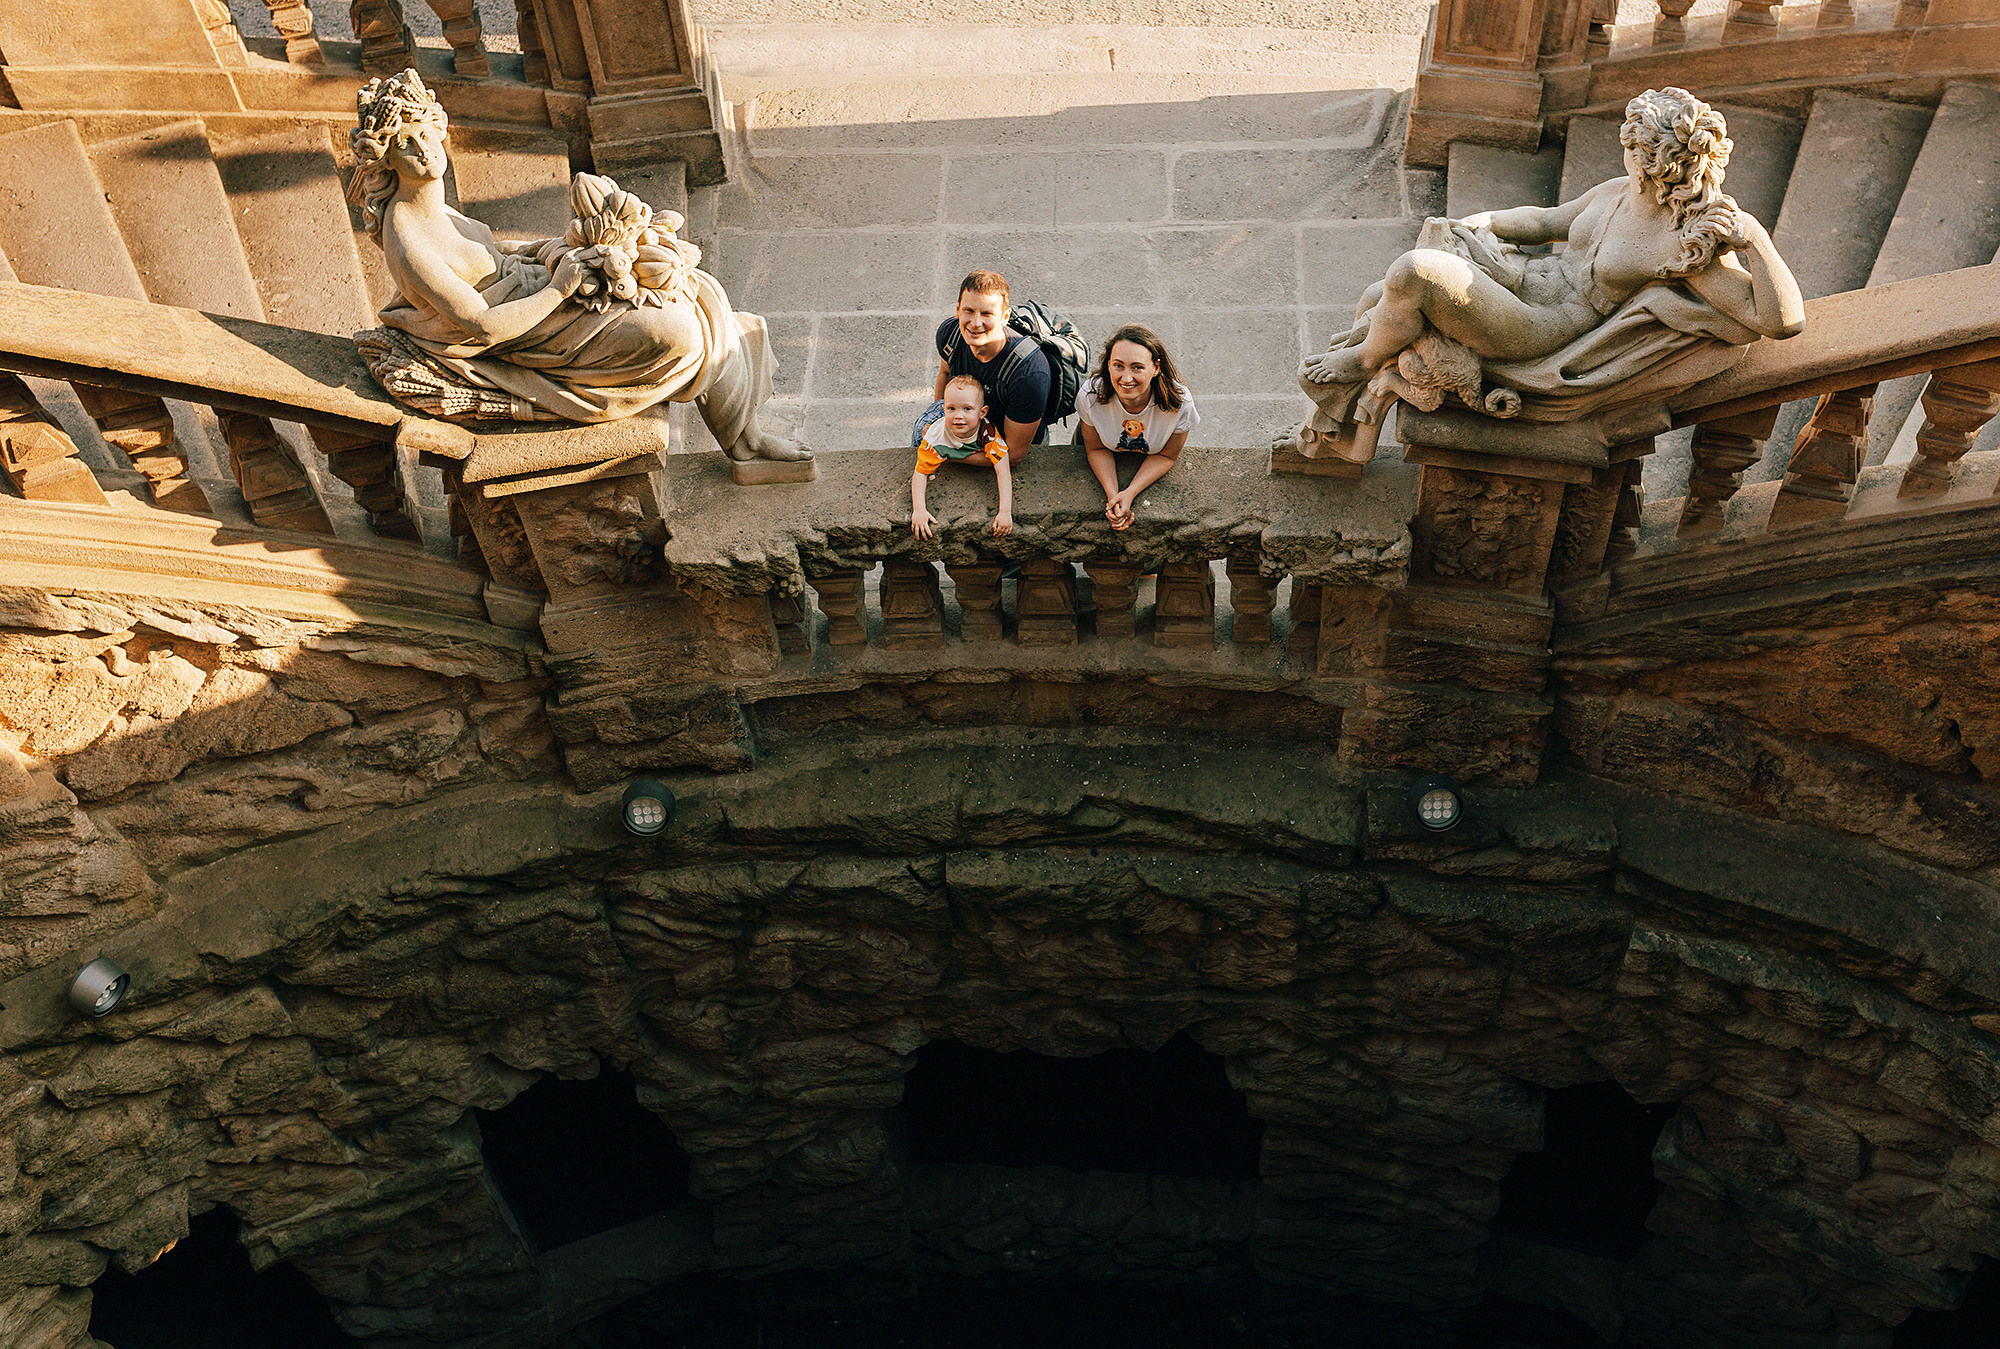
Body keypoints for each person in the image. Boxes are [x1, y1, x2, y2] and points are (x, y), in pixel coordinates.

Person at [1295, 86, 1804, 465]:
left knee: (1414, 273)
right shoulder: (1616, 192)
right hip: (1525, 277)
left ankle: (1361, 363)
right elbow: (1545, 221)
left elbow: (1782, 322)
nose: (1623, 151)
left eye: (1631, 145)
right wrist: (1482, 222)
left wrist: (1755, 238)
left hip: (1544, 326)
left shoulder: (1683, 245)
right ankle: (1352, 436)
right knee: (1378, 295)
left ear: (1652, 161)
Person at [347, 69, 811, 470]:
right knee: (678, 336)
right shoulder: (407, 238)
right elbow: (482, 326)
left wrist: (555, 249)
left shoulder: (430, 205)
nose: (423, 149)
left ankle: (745, 437)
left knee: (691, 286)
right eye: (403, 143)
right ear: (384, 158)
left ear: (439, 128)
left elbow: (488, 252)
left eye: (424, 132)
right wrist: (561, 287)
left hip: (537, 287)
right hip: (529, 331)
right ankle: (742, 438)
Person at [913, 270, 1049, 465]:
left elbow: (1014, 455)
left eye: (987, 314)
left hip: (1007, 444)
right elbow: (945, 372)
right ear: (958, 310)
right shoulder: (950, 335)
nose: (975, 323)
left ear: (1004, 317)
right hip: (967, 432)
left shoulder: (1029, 372)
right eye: (969, 311)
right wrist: (942, 423)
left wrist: (946, 452)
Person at [1076, 325, 1196, 531]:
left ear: (1156, 368)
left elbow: (1167, 455)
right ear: (1108, 365)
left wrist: (1130, 492)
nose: (1126, 378)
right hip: (1100, 452)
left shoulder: (1180, 403)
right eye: (1118, 366)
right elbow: (1096, 449)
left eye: (1137, 367)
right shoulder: (1090, 395)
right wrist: (1113, 496)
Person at [911, 375, 1012, 539]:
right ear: (945, 409)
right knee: (920, 448)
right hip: (931, 423)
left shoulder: (989, 434)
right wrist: (919, 510)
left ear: (982, 412)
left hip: (962, 438)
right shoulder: (934, 438)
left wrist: (1005, 512)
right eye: (951, 408)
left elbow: (1003, 471)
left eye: (967, 409)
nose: (958, 415)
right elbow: (920, 473)